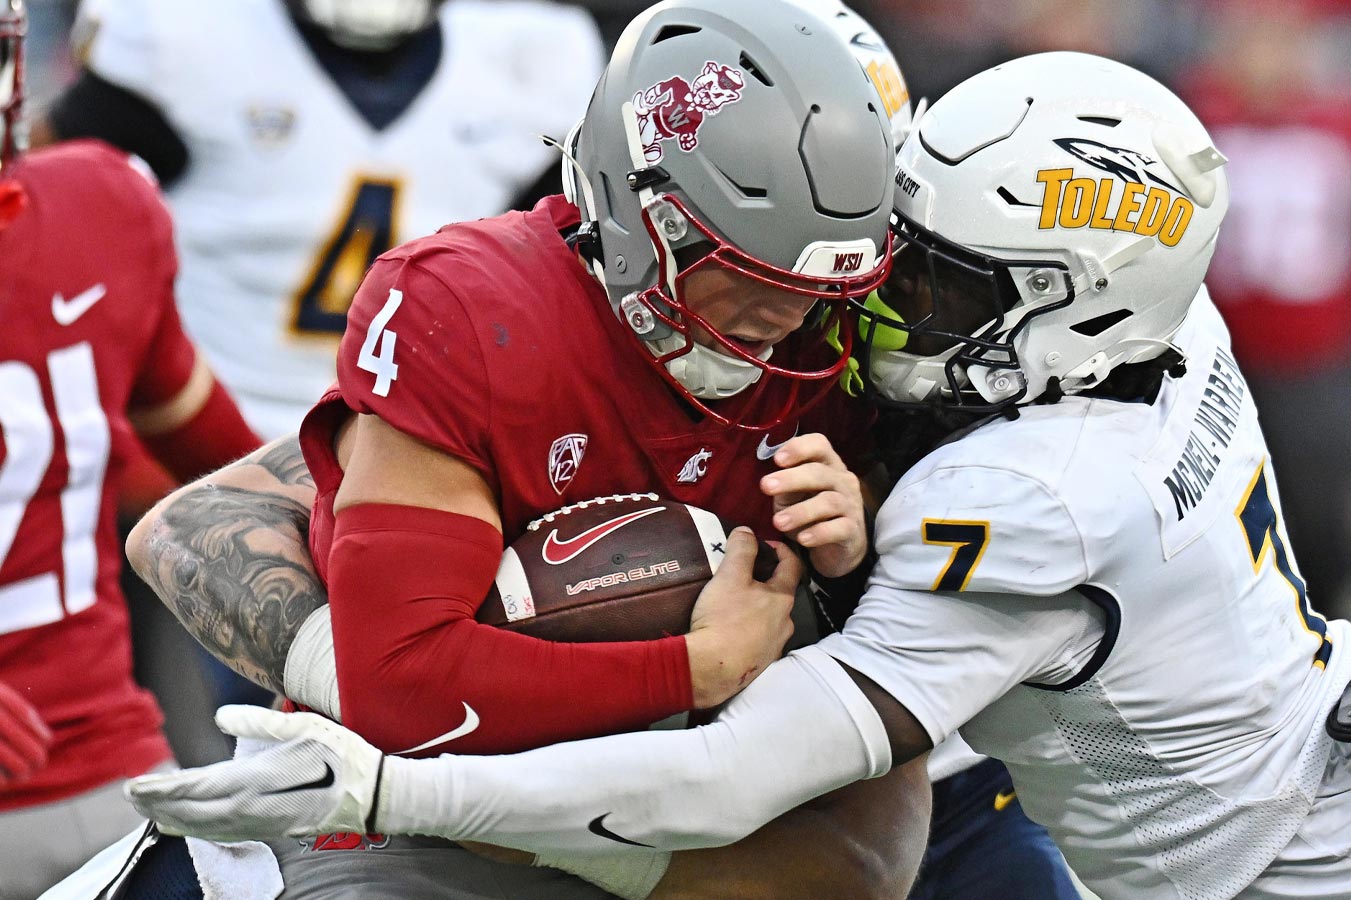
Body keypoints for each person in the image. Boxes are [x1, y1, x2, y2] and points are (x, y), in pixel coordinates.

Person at [127, 52, 1351, 900]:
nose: (879, 313)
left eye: (944, 286)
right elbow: (201, 523)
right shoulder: (1167, 318)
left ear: (1066, 306)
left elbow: (724, 782)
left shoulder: (1021, 499)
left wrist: (392, 783)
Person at [108, 2, 933, 898]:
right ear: (640, 210)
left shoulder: (861, 342)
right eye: (751, 271)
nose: (789, 317)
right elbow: (231, 554)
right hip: (408, 827)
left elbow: (863, 861)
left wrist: (853, 572)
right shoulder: (477, 313)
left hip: (685, 825)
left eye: (820, 284)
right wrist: (693, 667)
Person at [35, 0, 604, 440]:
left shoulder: (534, 57)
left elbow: (569, 285)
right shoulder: (185, 34)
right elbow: (43, 214)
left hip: (414, 443)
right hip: (189, 430)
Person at [0, 2, 262, 896]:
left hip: (105, 783)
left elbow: (218, 454)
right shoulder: (99, 202)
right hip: (107, 795)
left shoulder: (97, 206)